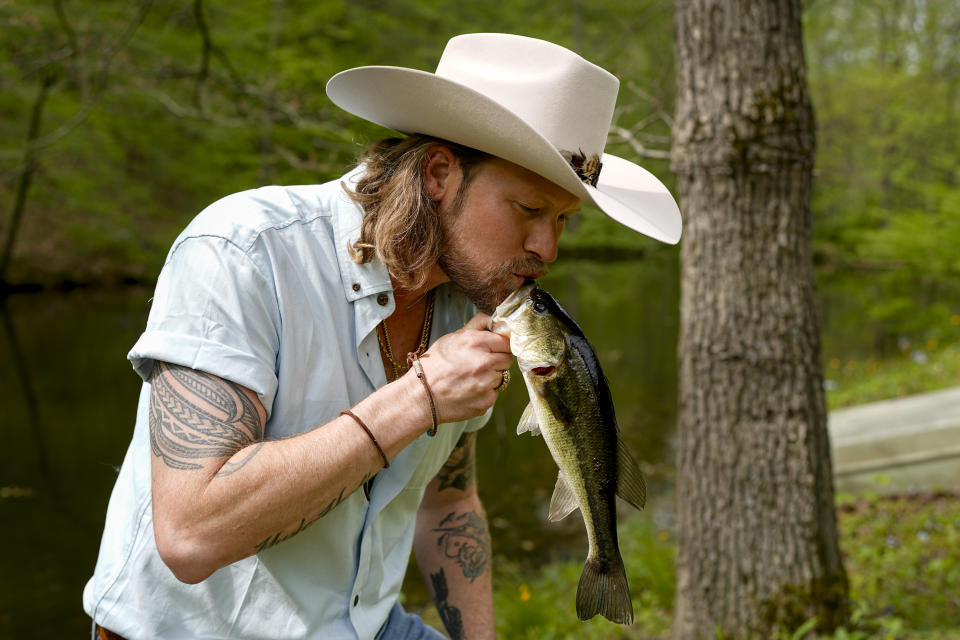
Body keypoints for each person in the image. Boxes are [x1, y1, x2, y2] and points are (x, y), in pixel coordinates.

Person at [83, 33, 681, 640]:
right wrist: (419, 398)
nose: (546, 249)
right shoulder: (243, 252)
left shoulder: (468, 304)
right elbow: (191, 536)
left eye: (561, 220)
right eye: (528, 209)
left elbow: (448, 503)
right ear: (439, 174)